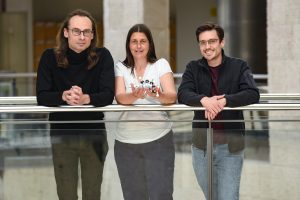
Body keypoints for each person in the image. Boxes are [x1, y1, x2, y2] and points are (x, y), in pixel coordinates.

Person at [36, 9, 115, 200]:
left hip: (94, 135)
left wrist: (85, 99)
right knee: (65, 193)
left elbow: (108, 95)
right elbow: (42, 96)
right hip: (62, 136)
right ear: (66, 32)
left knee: (92, 193)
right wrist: (64, 96)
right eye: (76, 31)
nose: (82, 37)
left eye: (86, 32)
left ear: (92, 35)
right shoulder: (49, 57)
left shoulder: (102, 56)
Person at [178, 22, 260, 200]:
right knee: (212, 197)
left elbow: (252, 93)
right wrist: (204, 100)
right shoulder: (193, 67)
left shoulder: (239, 66)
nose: (207, 47)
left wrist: (224, 101)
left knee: (228, 197)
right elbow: (183, 93)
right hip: (201, 148)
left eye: (212, 41)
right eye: (203, 42)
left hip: (230, 147)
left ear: (222, 42)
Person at [114, 23, 177, 200]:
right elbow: (120, 97)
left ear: (150, 44)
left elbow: (171, 96)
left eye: (143, 41)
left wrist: (156, 94)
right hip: (126, 143)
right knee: (133, 195)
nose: (138, 45)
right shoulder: (121, 67)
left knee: (161, 195)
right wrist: (134, 95)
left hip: (159, 141)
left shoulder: (160, 64)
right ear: (128, 45)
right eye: (134, 41)